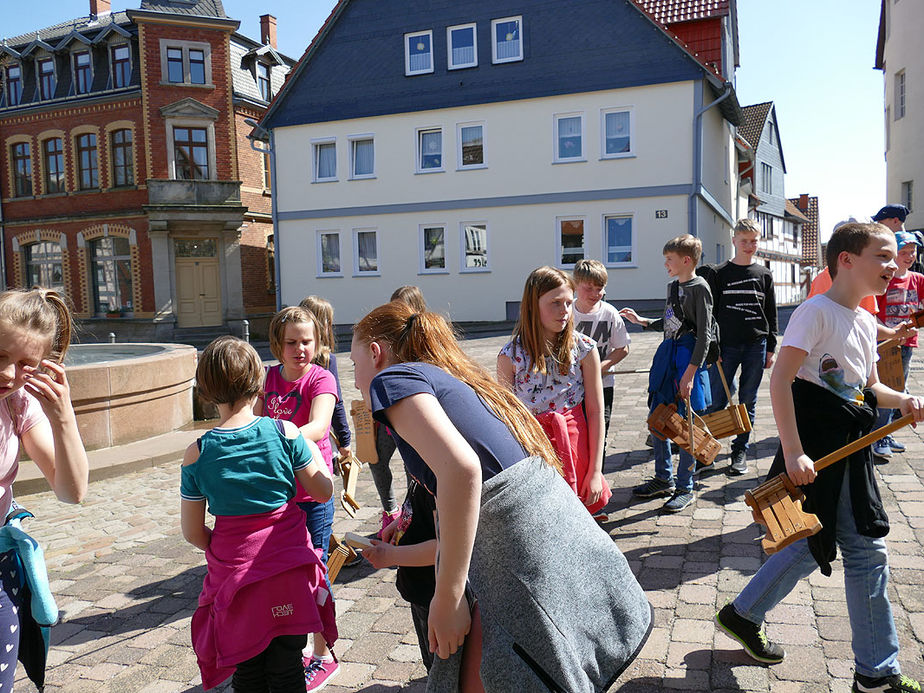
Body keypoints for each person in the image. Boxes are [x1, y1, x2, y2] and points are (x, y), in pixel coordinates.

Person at [351, 301, 652, 691]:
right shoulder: (451, 377)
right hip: (558, 550)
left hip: (517, 556)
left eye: (356, 366)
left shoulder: (391, 381)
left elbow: (461, 472)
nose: (357, 382)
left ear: (376, 353)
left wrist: (448, 596)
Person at [714, 222, 923, 693]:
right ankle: (876, 673)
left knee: (814, 543)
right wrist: (792, 451)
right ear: (846, 260)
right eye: (883, 255)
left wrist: (904, 400)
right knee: (865, 552)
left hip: (850, 454)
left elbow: (869, 387)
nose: (894, 265)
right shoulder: (815, 312)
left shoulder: (867, 320)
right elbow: (780, 380)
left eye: (894, 257)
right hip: (816, 454)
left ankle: (742, 614)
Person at [182, 336, 336, 691]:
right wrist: (314, 454)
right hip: (288, 571)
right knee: (288, 669)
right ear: (258, 384)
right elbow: (322, 491)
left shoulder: (197, 453)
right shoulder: (285, 432)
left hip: (235, 579)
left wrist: (225, 545)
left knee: (248, 673)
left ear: (206, 389)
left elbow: (192, 533)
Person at [0, 288, 88, 691]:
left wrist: (62, 417)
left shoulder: (17, 404)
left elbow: (72, 491)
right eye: (0, 356)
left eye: (24, 364)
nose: (8, 374)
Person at [257, 306, 341, 688]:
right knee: (285, 574)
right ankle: (294, 643)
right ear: (277, 344)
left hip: (314, 495)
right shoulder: (268, 378)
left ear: (318, 343)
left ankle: (324, 654)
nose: (300, 349)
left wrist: (275, 439)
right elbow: (254, 422)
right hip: (280, 496)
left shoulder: (320, 379)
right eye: (291, 342)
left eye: (307, 341)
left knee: (316, 571)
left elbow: (319, 426)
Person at [497, 266, 611, 515]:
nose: (565, 311)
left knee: (577, 522)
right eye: (555, 303)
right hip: (531, 449)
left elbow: (595, 412)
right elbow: (504, 420)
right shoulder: (511, 356)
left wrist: (595, 471)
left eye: (569, 303)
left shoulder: (584, 349)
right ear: (532, 305)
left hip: (574, 445)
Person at [621, 234, 716, 513]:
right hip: (667, 357)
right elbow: (671, 322)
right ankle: (663, 478)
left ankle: (685, 487)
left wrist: (689, 374)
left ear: (686, 260)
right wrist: (644, 321)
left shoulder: (701, 288)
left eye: (669, 260)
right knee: (658, 419)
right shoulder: (672, 287)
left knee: (686, 425)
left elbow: (704, 336)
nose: (666, 264)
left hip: (687, 360)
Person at [699, 219, 777, 475]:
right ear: (734, 241)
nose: (749, 245)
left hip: (756, 345)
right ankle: (707, 448)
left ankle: (739, 449)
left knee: (748, 402)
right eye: (744, 240)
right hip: (727, 347)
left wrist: (771, 348)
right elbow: (711, 314)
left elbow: (771, 313)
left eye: (754, 240)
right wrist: (714, 347)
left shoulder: (764, 274)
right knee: (717, 400)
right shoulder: (720, 273)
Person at [367, 286, 426, 535]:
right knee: (377, 459)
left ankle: (413, 516)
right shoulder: (386, 338)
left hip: (410, 413)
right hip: (386, 412)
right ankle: (390, 511)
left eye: (401, 308)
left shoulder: (424, 337)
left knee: (412, 467)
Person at [362, 478, 437, 671]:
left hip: (436, 595)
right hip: (419, 589)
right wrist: (399, 521)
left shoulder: (439, 477)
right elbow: (415, 506)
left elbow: (447, 546)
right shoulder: (423, 468)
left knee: (443, 668)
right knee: (431, 660)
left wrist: (392, 555)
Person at [871, 230, 924, 459]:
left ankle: (886, 433)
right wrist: (890, 333)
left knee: (898, 388)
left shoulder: (918, 279)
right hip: (885, 344)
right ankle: (877, 435)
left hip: (907, 342)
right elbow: (872, 311)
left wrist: (915, 325)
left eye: (913, 251)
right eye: (904, 251)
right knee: (884, 388)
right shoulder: (885, 278)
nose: (909, 256)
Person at [571, 259, 630, 442]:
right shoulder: (567, 313)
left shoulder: (609, 313)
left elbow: (623, 348)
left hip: (602, 386)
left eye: (600, 288)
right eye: (588, 288)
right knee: (576, 437)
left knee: (598, 436)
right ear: (575, 285)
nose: (595, 294)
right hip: (571, 387)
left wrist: (598, 369)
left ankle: (598, 470)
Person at [298, 296, 352, 460]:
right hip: (318, 440)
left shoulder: (290, 357)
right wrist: (345, 440)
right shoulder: (326, 360)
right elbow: (336, 403)